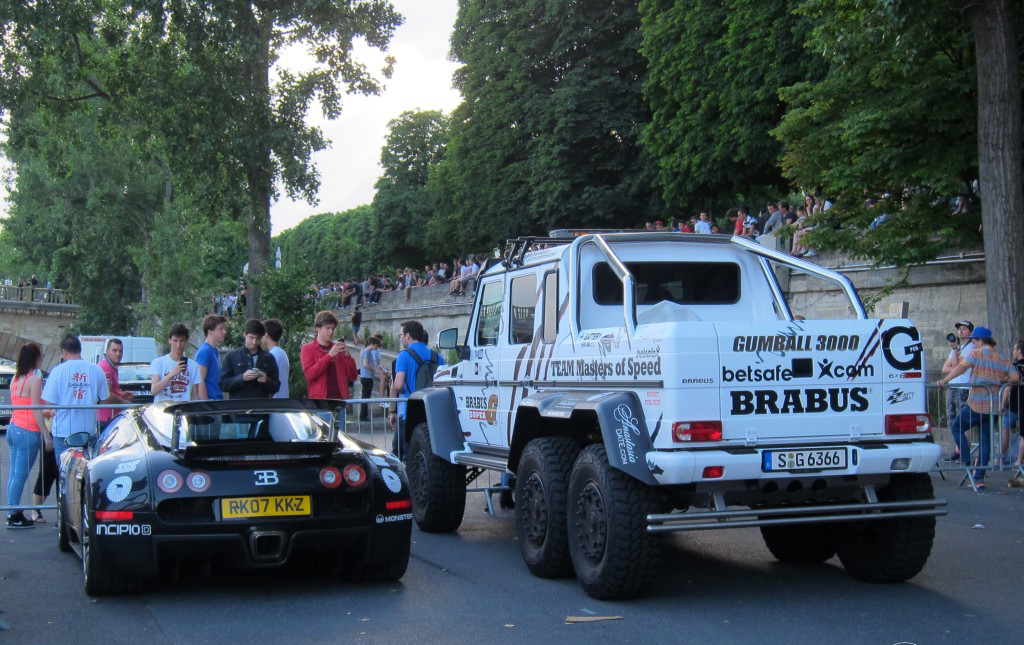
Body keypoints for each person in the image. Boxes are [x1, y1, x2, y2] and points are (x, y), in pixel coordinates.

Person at [937, 326, 1020, 488]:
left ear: (980, 340)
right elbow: (1016, 377)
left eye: (974, 341)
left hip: (976, 403)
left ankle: (967, 462)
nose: (973, 344)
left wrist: (945, 381)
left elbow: (961, 367)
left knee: (956, 427)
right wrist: (1002, 379)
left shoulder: (976, 353)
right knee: (985, 440)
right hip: (993, 406)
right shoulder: (1002, 357)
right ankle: (979, 478)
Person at [42, 335, 110, 463]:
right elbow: (104, 401)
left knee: (64, 473)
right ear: (80, 349)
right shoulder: (96, 370)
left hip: (63, 431)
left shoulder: (57, 371)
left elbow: (49, 403)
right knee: (87, 473)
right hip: (88, 431)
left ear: (64, 352)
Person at [5, 343, 51, 529]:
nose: (42, 359)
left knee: (14, 474)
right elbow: (36, 410)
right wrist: (47, 436)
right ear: (35, 358)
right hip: (27, 431)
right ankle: (13, 514)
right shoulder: (34, 380)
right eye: (40, 356)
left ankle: (12, 510)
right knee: (21, 475)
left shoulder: (16, 378)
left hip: (14, 427)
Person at [389, 320, 445, 459]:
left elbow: (398, 384)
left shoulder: (404, 355)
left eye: (400, 334)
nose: (400, 337)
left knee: (405, 454)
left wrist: (393, 408)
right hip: (432, 411)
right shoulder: (437, 356)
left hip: (409, 412)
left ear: (408, 335)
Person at [301, 310, 358, 399]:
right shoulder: (308, 348)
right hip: (320, 401)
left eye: (333, 328)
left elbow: (353, 376)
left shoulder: (338, 348)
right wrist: (329, 356)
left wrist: (348, 356)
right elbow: (309, 374)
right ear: (318, 328)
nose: (331, 332)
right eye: (327, 328)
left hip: (340, 400)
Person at [220, 318, 280, 399]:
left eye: (258, 338)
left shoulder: (269, 358)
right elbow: (223, 384)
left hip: (261, 407)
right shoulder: (231, 357)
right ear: (245, 334)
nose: (254, 342)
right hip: (239, 408)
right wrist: (242, 378)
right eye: (251, 337)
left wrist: (266, 380)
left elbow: (276, 387)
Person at [941, 320, 975, 457]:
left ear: (970, 331)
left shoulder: (971, 347)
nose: (960, 331)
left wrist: (955, 351)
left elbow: (957, 367)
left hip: (964, 386)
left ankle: (964, 450)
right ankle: (958, 449)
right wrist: (955, 351)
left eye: (964, 329)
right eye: (959, 329)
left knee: (964, 419)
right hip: (953, 386)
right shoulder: (957, 348)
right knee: (952, 419)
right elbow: (945, 368)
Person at [150, 323, 204, 403]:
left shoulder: (193, 366)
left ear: (186, 341)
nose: (178, 345)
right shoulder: (158, 362)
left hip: (184, 410)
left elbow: (195, 396)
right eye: (175, 340)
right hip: (163, 410)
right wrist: (171, 374)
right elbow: (154, 391)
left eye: (181, 341)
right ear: (169, 340)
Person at [96, 338, 134, 431]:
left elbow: (111, 391)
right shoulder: (105, 367)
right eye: (114, 350)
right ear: (107, 351)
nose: (118, 354)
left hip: (109, 416)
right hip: (106, 418)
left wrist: (122, 394)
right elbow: (107, 396)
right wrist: (126, 404)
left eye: (120, 351)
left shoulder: (112, 365)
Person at [1001, 339, 1023, 482]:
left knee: (1005, 427)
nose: (1013, 351)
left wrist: (1003, 403)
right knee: (1022, 434)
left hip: (1014, 404)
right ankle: (1019, 460)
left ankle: (1001, 458)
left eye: (1015, 349)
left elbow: (1008, 388)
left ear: (1020, 351)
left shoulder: (1014, 367)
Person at [195, 313, 227, 400]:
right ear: (210, 332)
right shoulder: (205, 351)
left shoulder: (215, 351)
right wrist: (206, 405)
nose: (224, 332)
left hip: (216, 401)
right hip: (210, 404)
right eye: (221, 329)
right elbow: (200, 381)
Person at [358, 336, 385, 421]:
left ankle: (363, 415)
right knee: (365, 397)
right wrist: (375, 369)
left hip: (366, 376)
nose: (376, 348)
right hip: (367, 377)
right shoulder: (367, 352)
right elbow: (366, 364)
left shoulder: (366, 351)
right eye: (376, 346)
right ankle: (363, 416)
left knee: (366, 396)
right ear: (372, 344)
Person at [264, 318, 290, 399]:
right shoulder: (282, 353)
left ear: (266, 334)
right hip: (284, 398)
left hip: (275, 400)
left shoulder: (272, 354)